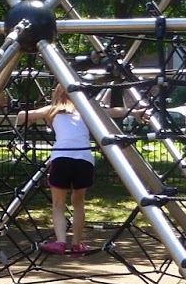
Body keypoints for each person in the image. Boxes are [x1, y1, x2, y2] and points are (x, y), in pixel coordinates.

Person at [12, 83, 146, 256]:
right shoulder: (86, 109)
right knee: (78, 202)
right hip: (84, 159)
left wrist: (31, 118)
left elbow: (22, 116)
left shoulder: (53, 109)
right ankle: (76, 244)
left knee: (58, 204)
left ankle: (61, 242)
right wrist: (135, 112)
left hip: (62, 157)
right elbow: (113, 111)